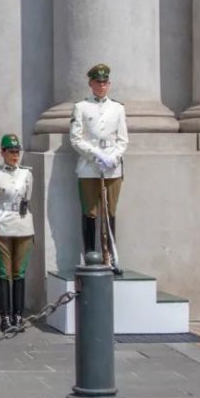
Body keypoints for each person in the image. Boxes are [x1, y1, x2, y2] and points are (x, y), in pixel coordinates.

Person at [69, 63, 128, 275]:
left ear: (109, 84)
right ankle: (90, 255)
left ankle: (110, 256)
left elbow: (123, 139)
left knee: (110, 211)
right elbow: (76, 139)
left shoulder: (118, 108)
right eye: (98, 82)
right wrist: (97, 156)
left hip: (112, 167)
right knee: (90, 212)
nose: (101, 86)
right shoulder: (81, 107)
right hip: (89, 167)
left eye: (105, 82)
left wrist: (112, 157)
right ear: (91, 84)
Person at [0, 134, 34, 332]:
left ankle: (18, 315)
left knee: (19, 273)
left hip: (23, 225)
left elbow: (27, 198)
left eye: (17, 151)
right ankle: (4, 317)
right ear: (2, 152)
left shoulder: (26, 174)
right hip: (2, 224)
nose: (15, 155)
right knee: (4, 272)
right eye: (11, 151)